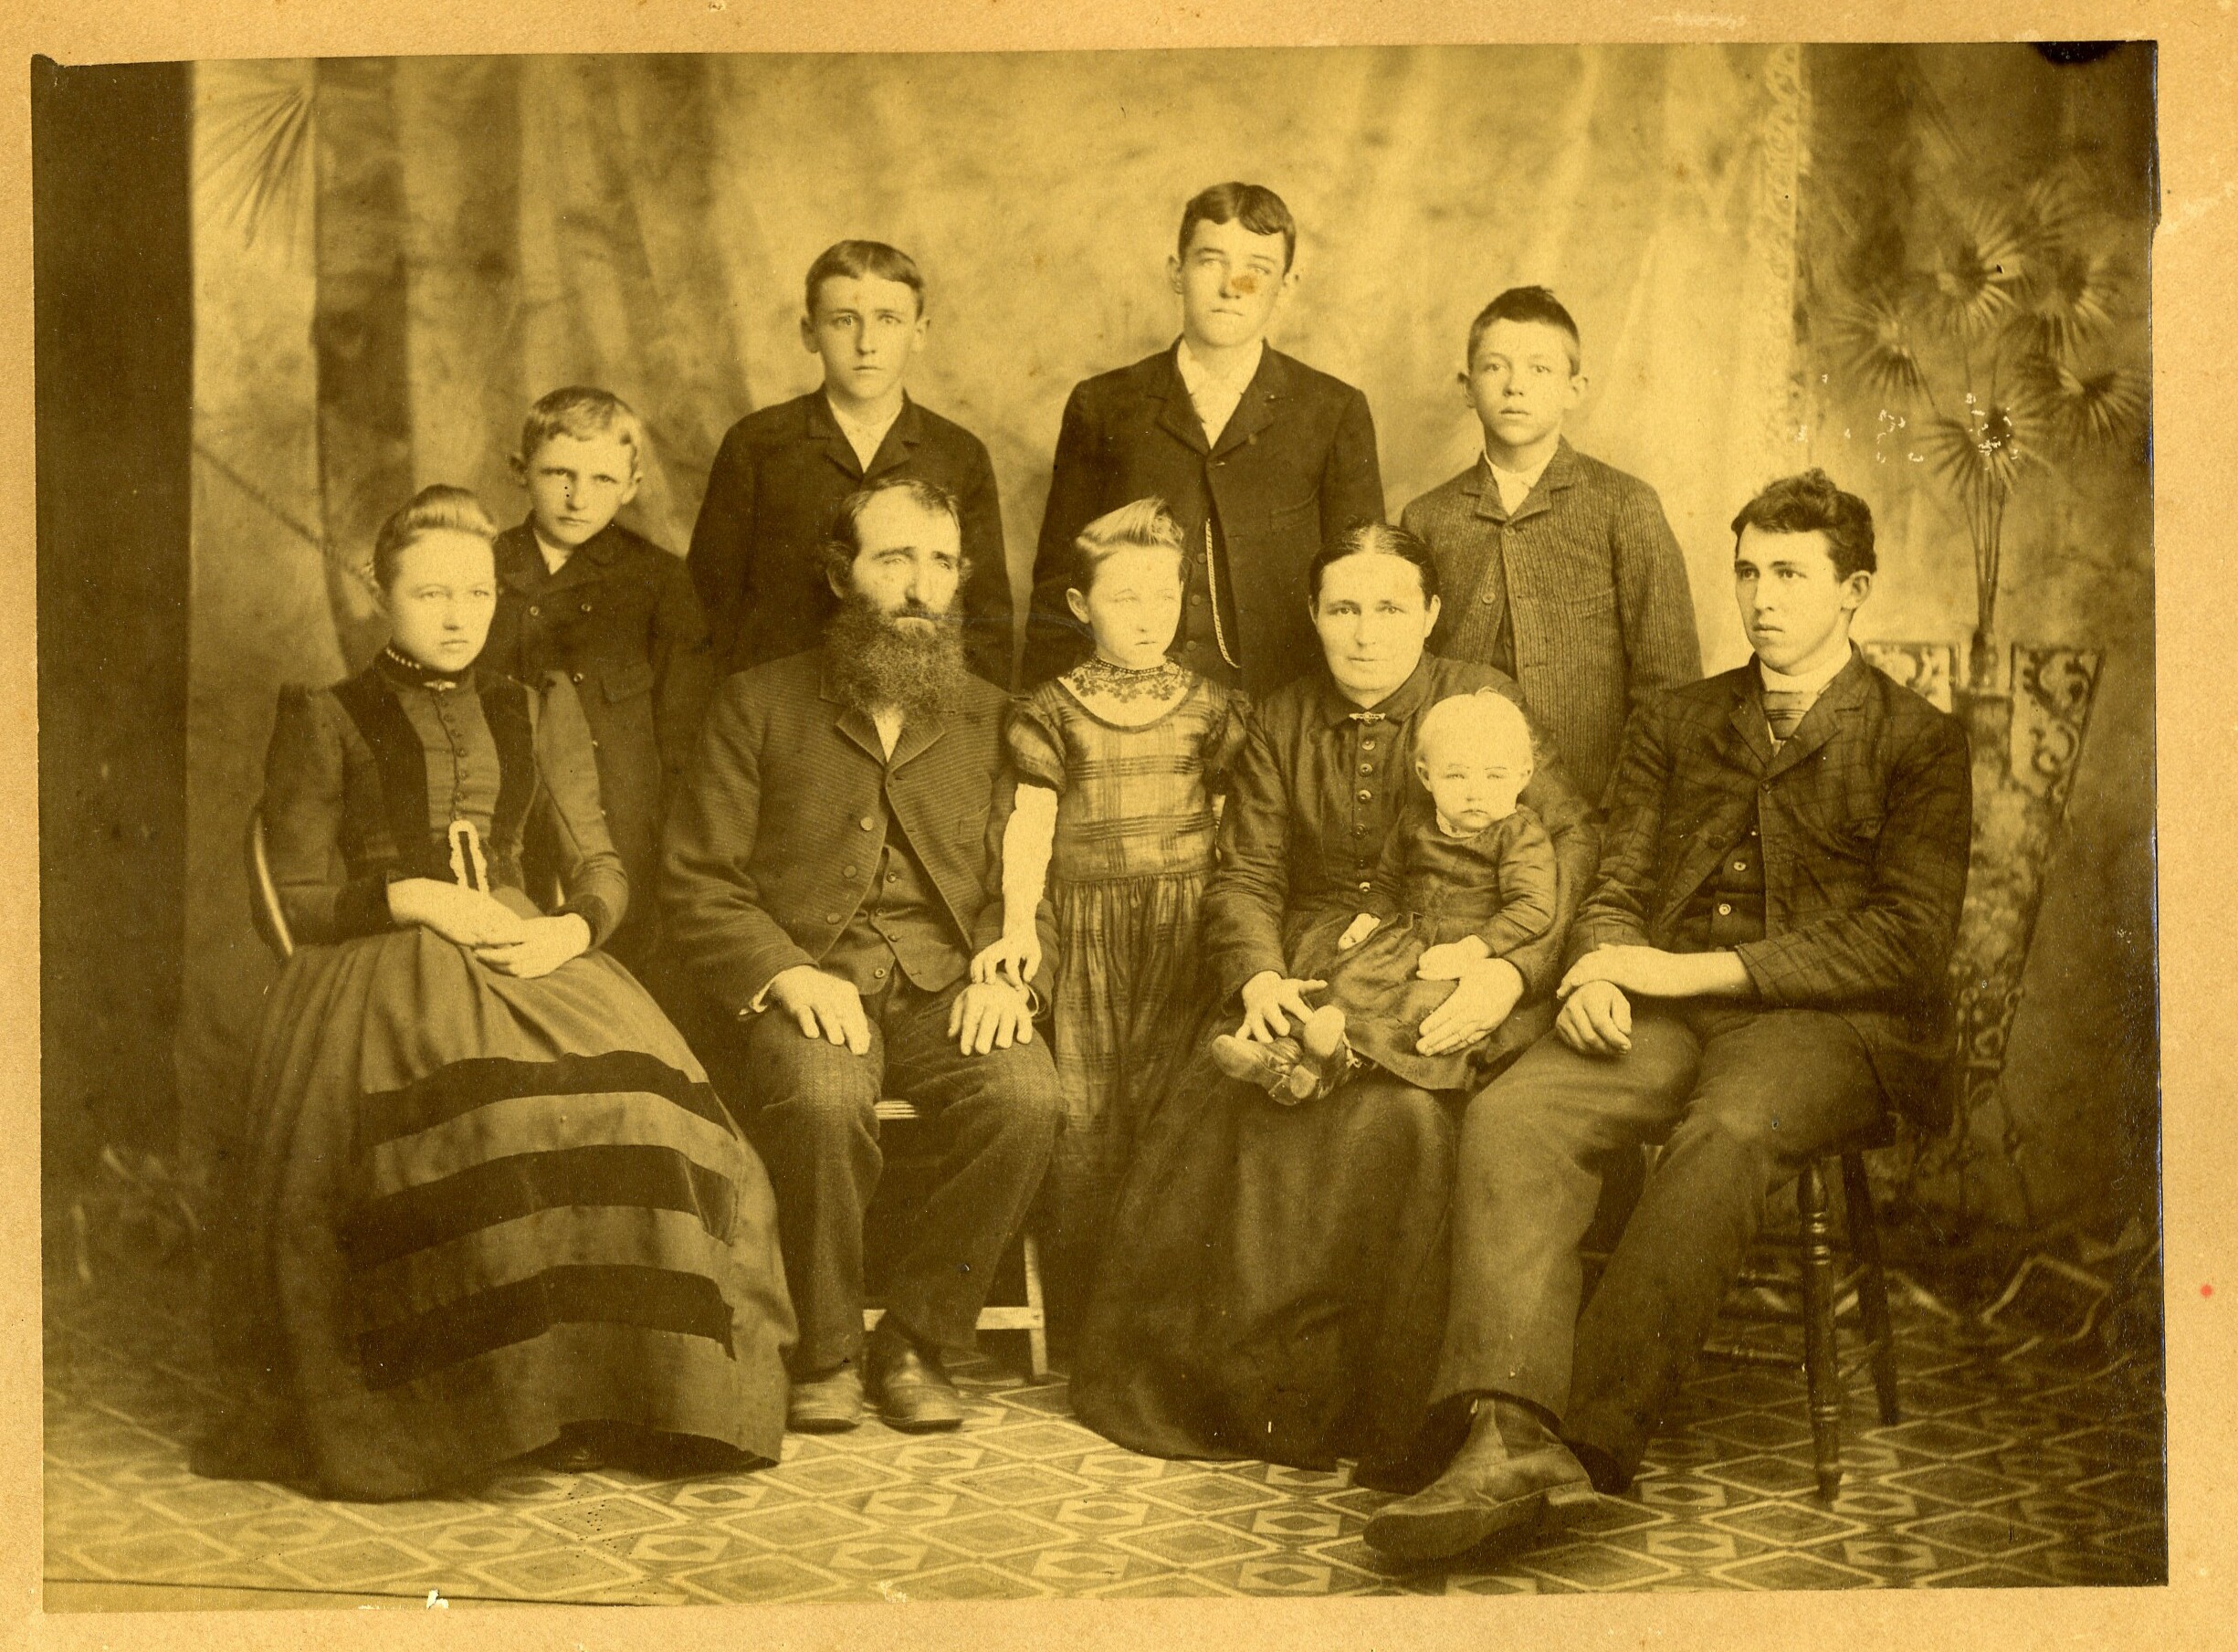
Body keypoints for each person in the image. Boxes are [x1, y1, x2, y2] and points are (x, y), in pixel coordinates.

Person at [1363, 469, 1972, 1564]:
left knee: (1726, 1135)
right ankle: (1503, 1433)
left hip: (1832, 1027)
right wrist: (1598, 970)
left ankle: (1584, 1440)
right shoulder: (1681, 717)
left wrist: (1690, 974)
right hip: (1654, 999)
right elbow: (1617, 878)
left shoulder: (1918, 740)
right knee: (1519, 1113)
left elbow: (1906, 941)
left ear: (1855, 590)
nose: (1762, 598)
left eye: (1791, 575)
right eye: (1748, 572)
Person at [194, 486, 795, 1501]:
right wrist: (416, 896)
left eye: (475, 592)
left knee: (649, 1110)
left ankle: (618, 1396)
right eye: (429, 593)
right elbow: (289, 897)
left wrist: (570, 928)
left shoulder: (534, 704)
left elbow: (599, 863)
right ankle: (496, 1410)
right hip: (380, 964)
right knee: (482, 1122)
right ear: (380, 593)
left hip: (531, 946)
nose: (457, 615)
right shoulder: (326, 715)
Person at [1071, 522, 1598, 1493]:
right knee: (1229, 1089)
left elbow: (1563, 849)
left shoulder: (1483, 698)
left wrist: (1507, 974)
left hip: (1462, 960)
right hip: (1320, 954)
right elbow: (1247, 874)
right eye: (1343, 608)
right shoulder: (1280, 719)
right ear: (1313, 615)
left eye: (1390, 607)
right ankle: (1244, 1393)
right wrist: (1259, 978)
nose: (1365, 631)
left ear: (1430, 613)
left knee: (1404, 1120)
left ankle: (1380, 1409)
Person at [664, 476, 1064, 1436]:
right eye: (895, 559)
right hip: (811, 979)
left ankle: (918, 1340)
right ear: (842, 575)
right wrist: (786, 972)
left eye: (941, 562)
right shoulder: (756, 703)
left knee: (1027, 1099)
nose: (922, 586)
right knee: (818, 1099)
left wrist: (1012, 972)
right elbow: (698, 881)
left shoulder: (994, 716)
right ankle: (828, 1349)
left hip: (948, 984)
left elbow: (1032, 879)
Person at [970, 498, 1248, 1342]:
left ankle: (1163, 1321)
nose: (1148, 616)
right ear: (1080, 605)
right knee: (1085, 1120)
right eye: (1124, 598)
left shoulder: (1211, 707)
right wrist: (1020, 924)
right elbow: (1030, 824)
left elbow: (1233, 828)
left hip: (1182, 938)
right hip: (1087, 935)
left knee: (1176, 1115)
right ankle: (1088, 1322)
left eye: (1164, 596)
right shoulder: (1051, 710)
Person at [1022, 182, 1385, 695]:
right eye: (1210, 261)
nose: (1231, 286)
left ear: (1287, 285)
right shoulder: (1103, 404)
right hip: (1130, 704)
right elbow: (1059, 582)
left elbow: (1362, 582)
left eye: (1258, 269)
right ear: (1177, 272)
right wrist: (1042, 713)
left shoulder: (1332, 409)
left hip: (1283, 707)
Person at [1402, 286, 1701, 805]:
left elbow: (1669, 687)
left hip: (1596, 804)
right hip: (1460, 810)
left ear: (1574, 389)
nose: (1515, 386)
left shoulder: (1624, 504)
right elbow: (1410, 676)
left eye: (1539, 369)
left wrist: (1630, 809)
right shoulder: (1427, 517)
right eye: (1495, 367)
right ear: (1467, 387)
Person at [688, 240, 1012, 687]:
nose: (866, 344)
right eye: (844, 320)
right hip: (780, 706)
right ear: (809, 332)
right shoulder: (757, 444)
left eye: (888, 320)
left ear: (919, 332)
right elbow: (707, 606)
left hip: (915, 703)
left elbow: (987, 621)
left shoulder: (959, 453)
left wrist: (978, 719)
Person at [1211, 689, 1556, 1102]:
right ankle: (1284, 1055)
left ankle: (1337, 1064)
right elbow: (1389, 883)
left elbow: (1532, 906)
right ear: (1426, 776)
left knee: (1417, 1005)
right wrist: (1368, 917)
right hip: (1403, 939)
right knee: (1348, 980)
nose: (1475, 792)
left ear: (1523, 776)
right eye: (1456, 776)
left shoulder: (1519, 834)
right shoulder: (1416, 822)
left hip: (1466, 951)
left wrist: (1474, 950)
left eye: (1494, 776)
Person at [480, 386, 714, 977]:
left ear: (631, 486)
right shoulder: (479, 568)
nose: (578, 497)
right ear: (519, 470)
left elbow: (685, 739)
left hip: (622, 836)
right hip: (503, 828)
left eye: (603, 479)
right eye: (559, 473)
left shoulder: (659, 582)